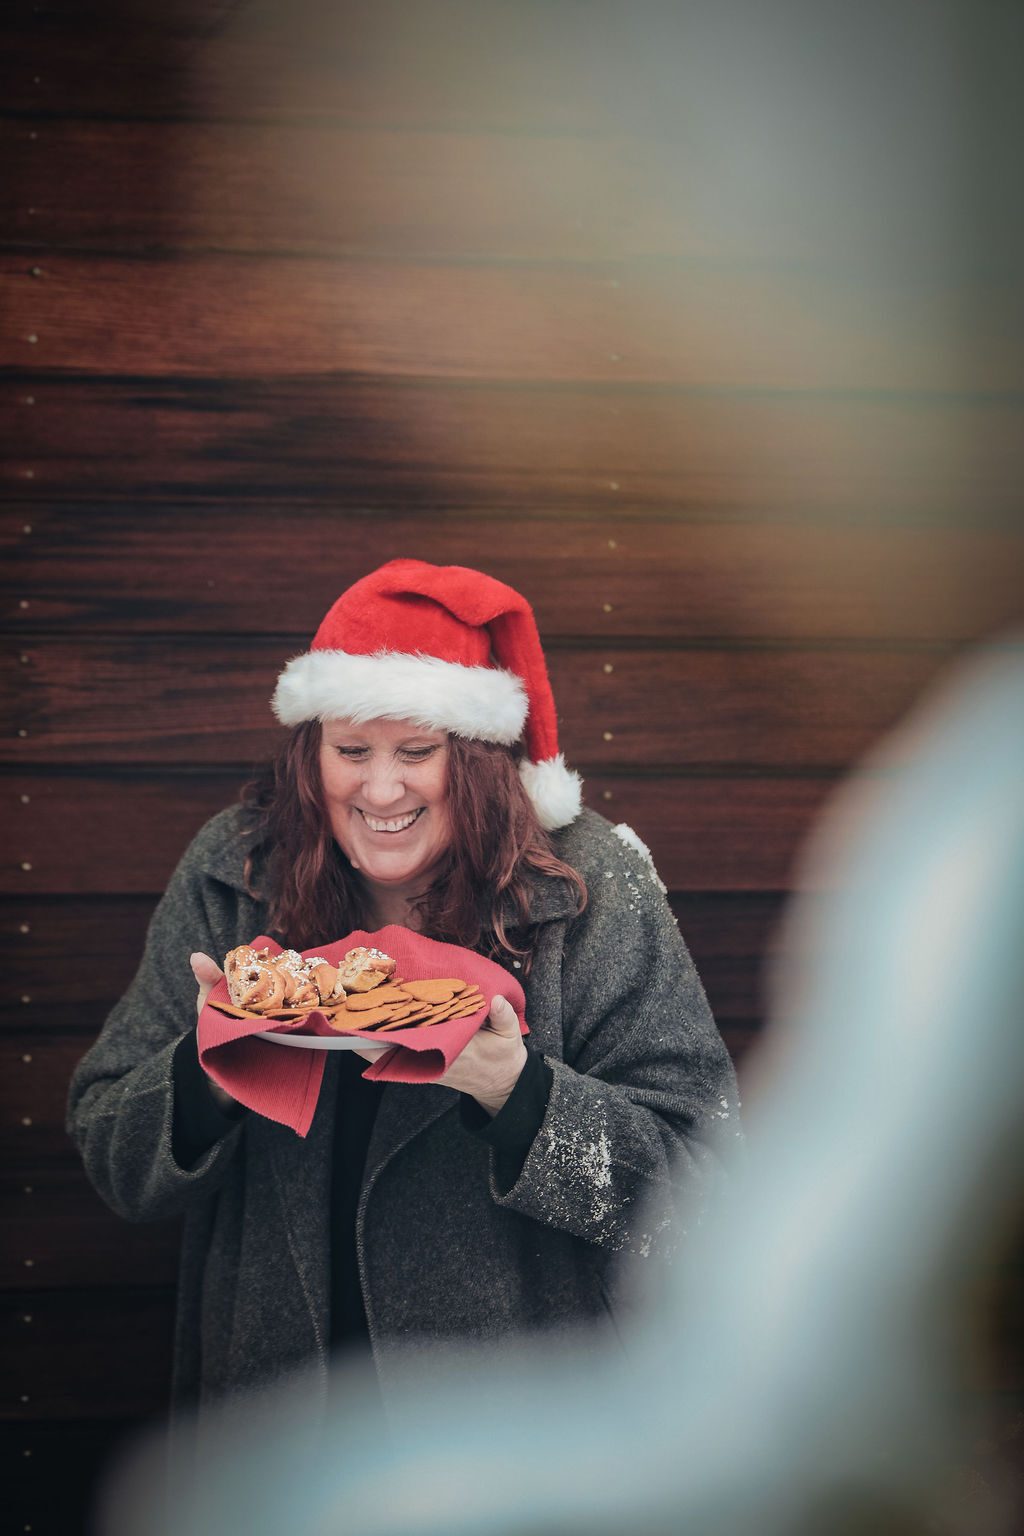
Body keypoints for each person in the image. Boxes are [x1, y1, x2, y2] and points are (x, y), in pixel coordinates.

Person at [66, 559, 741, 1423]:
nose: (380, 790)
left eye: (417, 753)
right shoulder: (235, 873)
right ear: (311, 753)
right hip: (277, 1431)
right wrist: (206, 1067)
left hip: (520, 1444)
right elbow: (113, 1156)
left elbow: (707, 1204)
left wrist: (519, 1093)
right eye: (351, 751)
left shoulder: (591, 886)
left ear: (482, 762)